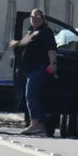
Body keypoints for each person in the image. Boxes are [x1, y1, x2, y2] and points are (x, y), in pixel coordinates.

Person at [9, 8, 57, 137]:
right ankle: (42, 128)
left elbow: (51, 49)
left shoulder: (45, 32)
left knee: (31, 95)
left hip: (39, 69)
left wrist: (53, 63)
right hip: (29, 71)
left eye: (38, 16)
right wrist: (18, 44)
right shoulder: (31, 31)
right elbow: (29, 45)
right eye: (33, 16)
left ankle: (34, 123)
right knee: (38, 97)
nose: (35, 18)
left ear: (43, 19)